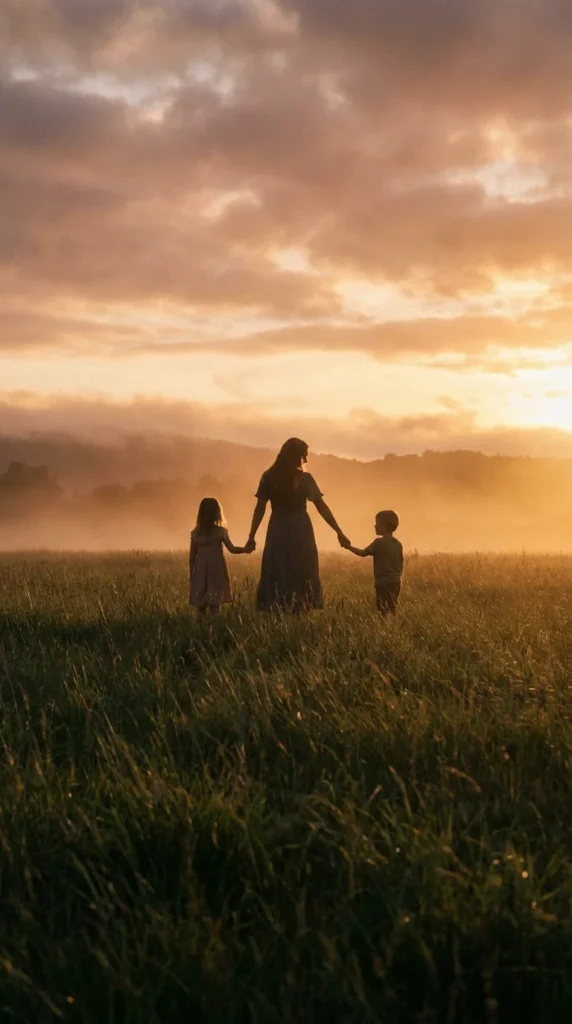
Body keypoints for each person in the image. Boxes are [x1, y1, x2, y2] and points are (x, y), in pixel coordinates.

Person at [246, 438, 351, 612]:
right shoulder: (305, 479)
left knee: (278, 568)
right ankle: (299, 609)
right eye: (304, 456)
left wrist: (252, 536)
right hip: (300, 529)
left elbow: (260, 509)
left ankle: (277, 609)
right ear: (295, 457)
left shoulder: (268, 477)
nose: (306, 461)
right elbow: (321, 507)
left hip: (277, 528)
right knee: (301, 568)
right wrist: (338, 531)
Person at [189, 497, 250, 615]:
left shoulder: (196, 533)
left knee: (201, 605)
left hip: (201, 570)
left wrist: (192, 574)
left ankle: (201, 628)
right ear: (216, 514)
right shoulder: (220, 532)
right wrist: (245, 549)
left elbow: (192, 557)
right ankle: (214, 628)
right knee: (214, 604)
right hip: (215, 570)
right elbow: (232, 549)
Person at [343, 510, 403, 615]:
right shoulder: (398, 544)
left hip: (382, 582)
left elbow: (362, 553)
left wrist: (348, 547)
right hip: (396, 581)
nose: (375, 526)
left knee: (382, 608)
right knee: (392, 607)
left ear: (385, 525)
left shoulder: (378, 543)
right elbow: (400, 562)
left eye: (377, 524)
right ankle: (393, 626)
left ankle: (384, 627)